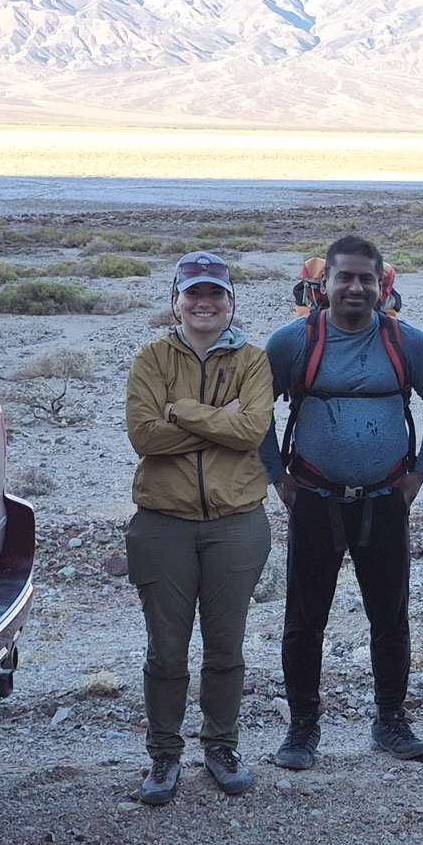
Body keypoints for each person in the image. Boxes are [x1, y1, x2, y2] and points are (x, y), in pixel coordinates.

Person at [261, 235, 423, 769]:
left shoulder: (407, 342)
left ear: (381, 285)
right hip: (314, 497)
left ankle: (390, 720)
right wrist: (277, 477)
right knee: (305, 618)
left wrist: (420, 475)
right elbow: (257, 410)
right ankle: (302, 727)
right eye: (344, 277)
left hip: (385, 498)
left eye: (366, 278)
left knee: (390, 615)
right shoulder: (292, 342)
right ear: (324, 284)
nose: (355, 287)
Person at [124, 251, 274, 805]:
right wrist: (218, 420)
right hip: (163, 523)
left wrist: (180, 410)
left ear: (230, 303)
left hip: (236, 523)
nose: (203, 303)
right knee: (166, 650)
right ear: (176, 301)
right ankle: (164, 754)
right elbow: (144, 437)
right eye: (193, 294)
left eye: (214, 294)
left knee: (225, 646)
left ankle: (221, 747)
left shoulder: (253, 361)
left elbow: (252, 431)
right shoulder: (152, 358)